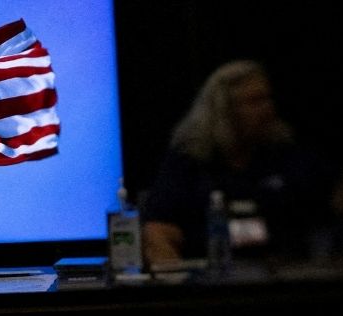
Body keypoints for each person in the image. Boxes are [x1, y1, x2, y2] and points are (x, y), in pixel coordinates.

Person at [141, 60, 333, 268]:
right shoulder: (190, 161)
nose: (267, 109)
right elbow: (157, 232)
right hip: (212, 283)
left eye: (268, 99)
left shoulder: (287, 154)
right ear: (224, 110)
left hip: (283, 282)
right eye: (255, 101)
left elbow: (335, 211)